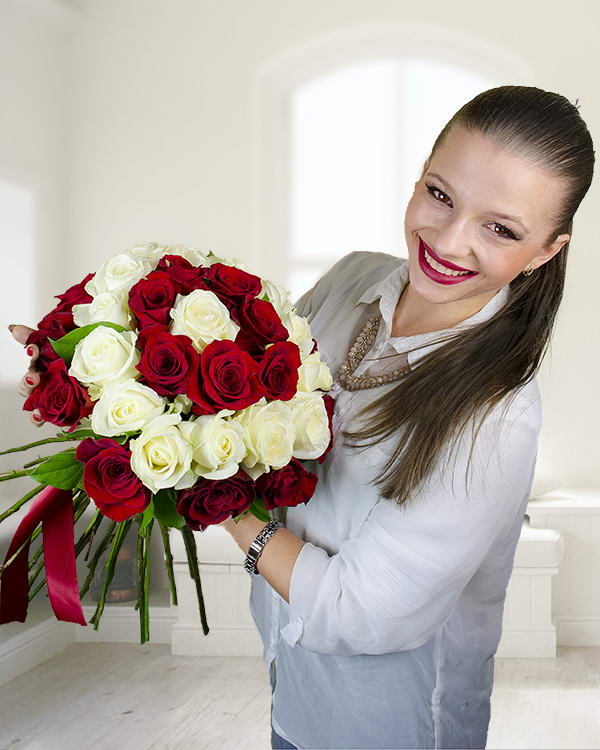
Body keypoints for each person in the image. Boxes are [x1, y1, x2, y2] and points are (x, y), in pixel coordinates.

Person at [10, 85, 595, 749]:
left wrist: (216, 494)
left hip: (388, 724)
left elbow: (359, 613)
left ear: (549, 249)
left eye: (501, 229)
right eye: (440, 194)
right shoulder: (352, 279)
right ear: (420, 174)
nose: (450, 239)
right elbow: (257, 407)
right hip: (291, 685)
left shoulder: (496, 416)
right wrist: (101, 373)